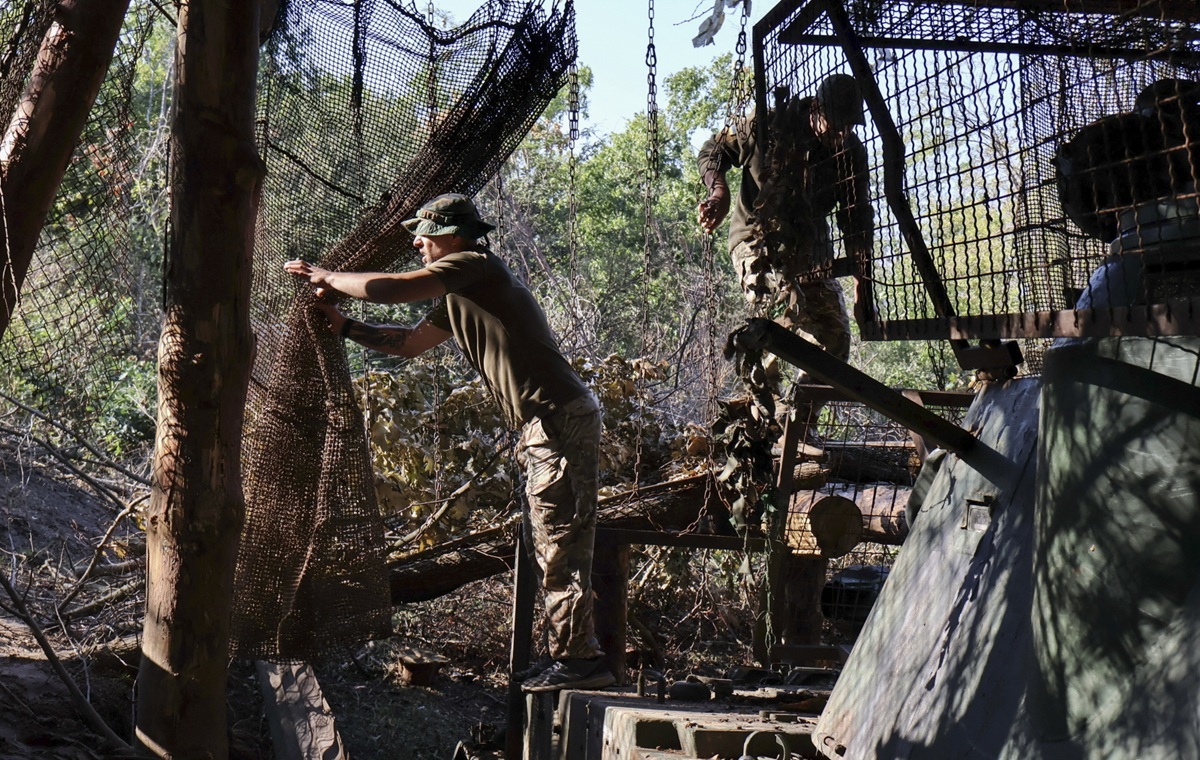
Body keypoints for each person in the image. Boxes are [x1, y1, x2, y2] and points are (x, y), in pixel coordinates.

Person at [284, 193, 615, 693]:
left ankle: (581, 664)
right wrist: (347, 327)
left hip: (556, 421)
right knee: (552, 543)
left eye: (424, 233)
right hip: (544, 425)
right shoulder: (464, 293)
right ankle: (572, 658)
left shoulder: (474, 265)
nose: (417, 242)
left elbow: (392, 290)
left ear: (453, 236)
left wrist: (326, 277)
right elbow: (411, 342)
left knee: (560, 544)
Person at [697, 73, 875, 365]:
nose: (841, 131)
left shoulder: (851, 153)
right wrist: (719, 192)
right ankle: (764, 395)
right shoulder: (768, 124)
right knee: (781, 314)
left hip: (812, 252)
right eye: (835, 122)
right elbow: (713, 150)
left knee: (835, 340)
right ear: (815, 108)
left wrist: (862, 287)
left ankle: (798, 409)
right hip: (757, 240)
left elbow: (856, 218)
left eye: (849, 125)